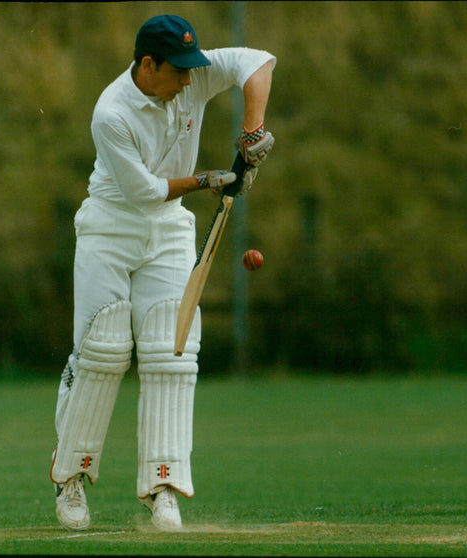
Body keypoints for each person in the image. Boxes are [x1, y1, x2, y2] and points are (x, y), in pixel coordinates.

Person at [49, 14, 276, 532]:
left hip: (169, 230)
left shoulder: (189, 75)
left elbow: (258, 62)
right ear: (147, 64)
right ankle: (71, 479)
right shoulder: (111, 113)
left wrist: (252, 130)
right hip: (111, 226)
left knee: (171, 352)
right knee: (102, 350)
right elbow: (145, 192)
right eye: (177, 72)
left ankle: (163, 486)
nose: (188, 81)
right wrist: (209, 178)